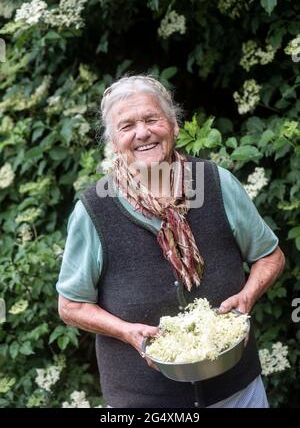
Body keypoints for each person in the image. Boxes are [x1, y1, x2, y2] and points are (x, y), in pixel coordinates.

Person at [57, 75, 285, 408]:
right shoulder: (95, 209)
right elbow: (71, 306)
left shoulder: (216, 183)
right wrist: (126, 332)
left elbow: (270, 256)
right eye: (127, 126)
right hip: (143, 403)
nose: (142, 133)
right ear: (113, 141)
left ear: (173, 125)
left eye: (152, 119)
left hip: (237, 391)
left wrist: (248, 297)